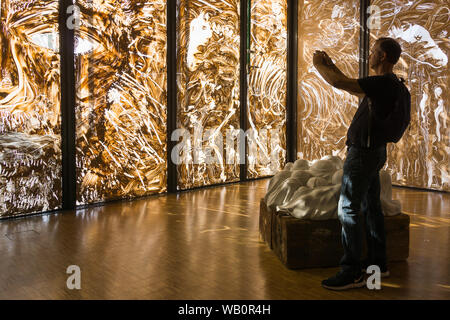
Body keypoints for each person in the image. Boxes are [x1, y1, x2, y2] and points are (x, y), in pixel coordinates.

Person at [313, 37, 407, 290]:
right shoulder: (389, 84)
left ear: (383, 57)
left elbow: (339, 83)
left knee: (349, 208)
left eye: (374, 51)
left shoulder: (381, 83)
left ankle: (351, 271)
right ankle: (378, 265)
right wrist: (331, 64)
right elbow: (351, 86)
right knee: (371, 206)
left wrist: (318, 65)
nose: (370, 54)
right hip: (374, 152)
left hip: (363, 154)